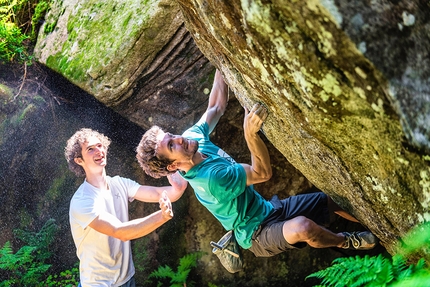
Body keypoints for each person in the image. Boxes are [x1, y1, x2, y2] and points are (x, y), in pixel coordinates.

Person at [135, 70, 377, 259]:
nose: (179, 139)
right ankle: (345, 240)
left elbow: (216, 106)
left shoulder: (193, 138)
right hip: (256, 235)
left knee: (332, 200)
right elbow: (262, 173)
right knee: (303, 227)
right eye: (172, 147)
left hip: (267, 209)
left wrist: (219, 56)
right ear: (172, 166)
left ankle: (378, 228)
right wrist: (250, 134)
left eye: (171, 136)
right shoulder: (211, 179)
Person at [65, 128, 188, 286]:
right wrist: (161, 216)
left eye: (100, 145)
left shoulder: (119, 183)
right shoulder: (83, 200)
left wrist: (178, 182)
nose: (99, 151)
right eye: (90, 149)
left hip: (127, 280)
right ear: (79, 160)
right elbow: (120, 232)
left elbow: (163, 194)